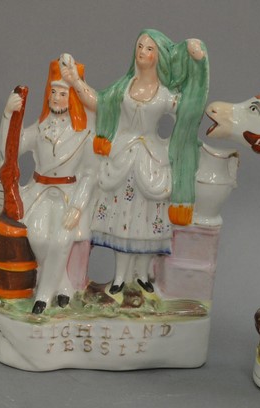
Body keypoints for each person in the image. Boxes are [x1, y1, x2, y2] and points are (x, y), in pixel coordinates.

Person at [60, 30, 208, 295]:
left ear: (159, 57)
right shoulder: (123, 88)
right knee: (123, 217)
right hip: (122, 157)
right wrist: (74, 81)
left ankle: (141, 274)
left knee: (147, 218)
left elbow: (191, 108)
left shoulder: (165, 94)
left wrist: (199, 65)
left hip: (151, 161)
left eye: (149, 49)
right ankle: (119, 276)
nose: (142, 52)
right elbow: (99, 103)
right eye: (140, 46)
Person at [0, 58, 96, 314]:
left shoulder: (84, 133)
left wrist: (78, 206)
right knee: (38, 237)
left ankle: (42, 297)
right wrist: (8, 115)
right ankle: (62, 286)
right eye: (53, 92)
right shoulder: (41, 127)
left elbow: (90, 173)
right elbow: (12, 148)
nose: (56, 98)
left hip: (68, 195)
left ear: (72, 97)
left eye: (63, 93)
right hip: (40, 191)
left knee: (61, 240)